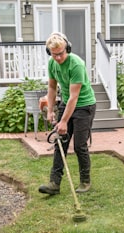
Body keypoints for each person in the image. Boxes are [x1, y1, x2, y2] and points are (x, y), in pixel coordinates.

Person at [38, 32, 96, 195]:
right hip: (67, 103)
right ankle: (54, 184)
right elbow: (51, 88)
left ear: (67, 49)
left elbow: (74, 97)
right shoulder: (52, 63)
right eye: (54, 54)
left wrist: (63, 122)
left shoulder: (76, 64)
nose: (57, 58)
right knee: (60, 143)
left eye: (61, 53)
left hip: (84, 105)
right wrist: (50, 110)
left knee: (79, 145)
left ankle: (85, 181)